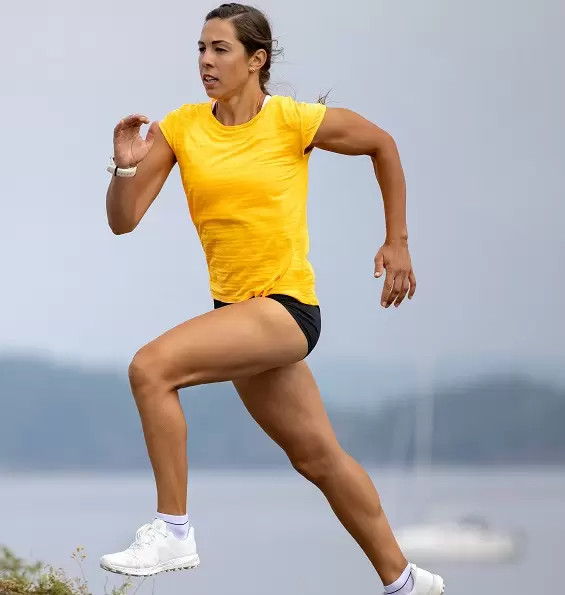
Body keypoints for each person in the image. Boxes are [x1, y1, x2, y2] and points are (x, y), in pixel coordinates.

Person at [98, 3, 444, 594]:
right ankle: (406, 581)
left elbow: (381, 145)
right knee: (318, 459)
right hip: (237, 315)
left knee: (150, 368)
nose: (206, 61)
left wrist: (397, 241)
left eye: (220, 49)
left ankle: (173, 530)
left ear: (257, 60)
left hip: (285, 310)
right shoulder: (181, 128)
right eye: (201, 50)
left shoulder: (291, 120)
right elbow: (122, 222)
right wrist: (124, 169)